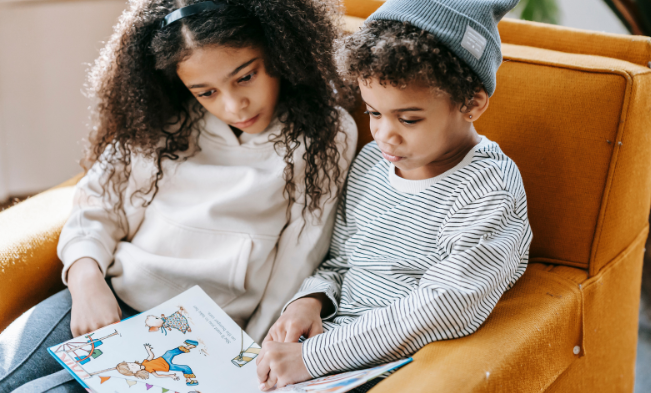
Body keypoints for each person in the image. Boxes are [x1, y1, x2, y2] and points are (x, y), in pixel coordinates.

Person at [0, 0, 356, 391]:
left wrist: (249, 358)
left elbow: (299, 256)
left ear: (278, 48)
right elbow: (98, 205)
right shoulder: (163, 117)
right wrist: (86, 281)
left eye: (245, 77)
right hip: (110, 297)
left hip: (199, 335)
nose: (233, 105)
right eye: (206, 92)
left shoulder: (326, 133)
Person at [256, 0, 532, 391]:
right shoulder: (372, 162)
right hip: (323, 349)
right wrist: (309, 301)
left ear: (471, 102)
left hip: (388, 369)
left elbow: (446, 306)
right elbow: (341, 261)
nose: (385, 135)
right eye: (373, 113)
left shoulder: (489, 188)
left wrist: (313, 358)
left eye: (408, 119)